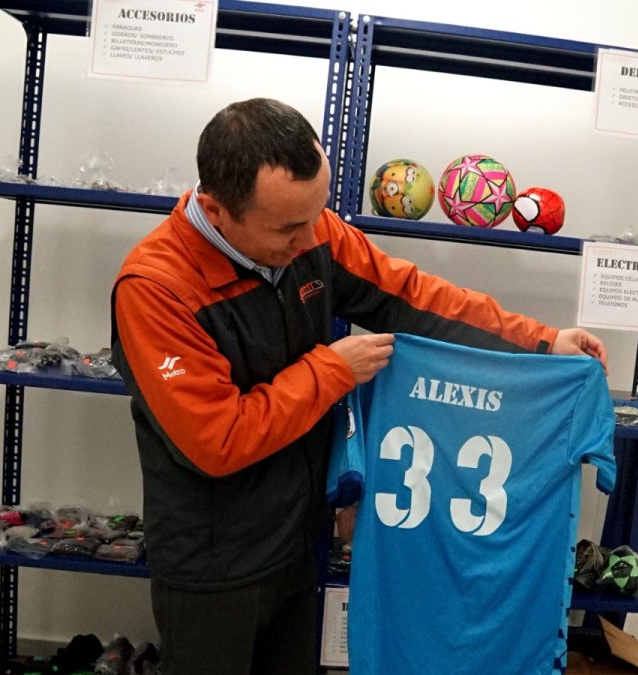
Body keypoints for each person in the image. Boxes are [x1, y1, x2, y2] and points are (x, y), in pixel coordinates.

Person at [109, 97, 607, 675]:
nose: (311, 240)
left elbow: (413, 296)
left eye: (318, 213)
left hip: (298, 544)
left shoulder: (312, 230)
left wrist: (542, 342)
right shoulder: (156, 288)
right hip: (213, 565)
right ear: (217, 211)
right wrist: (332, 370)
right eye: (290, 228)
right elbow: (216, 439)